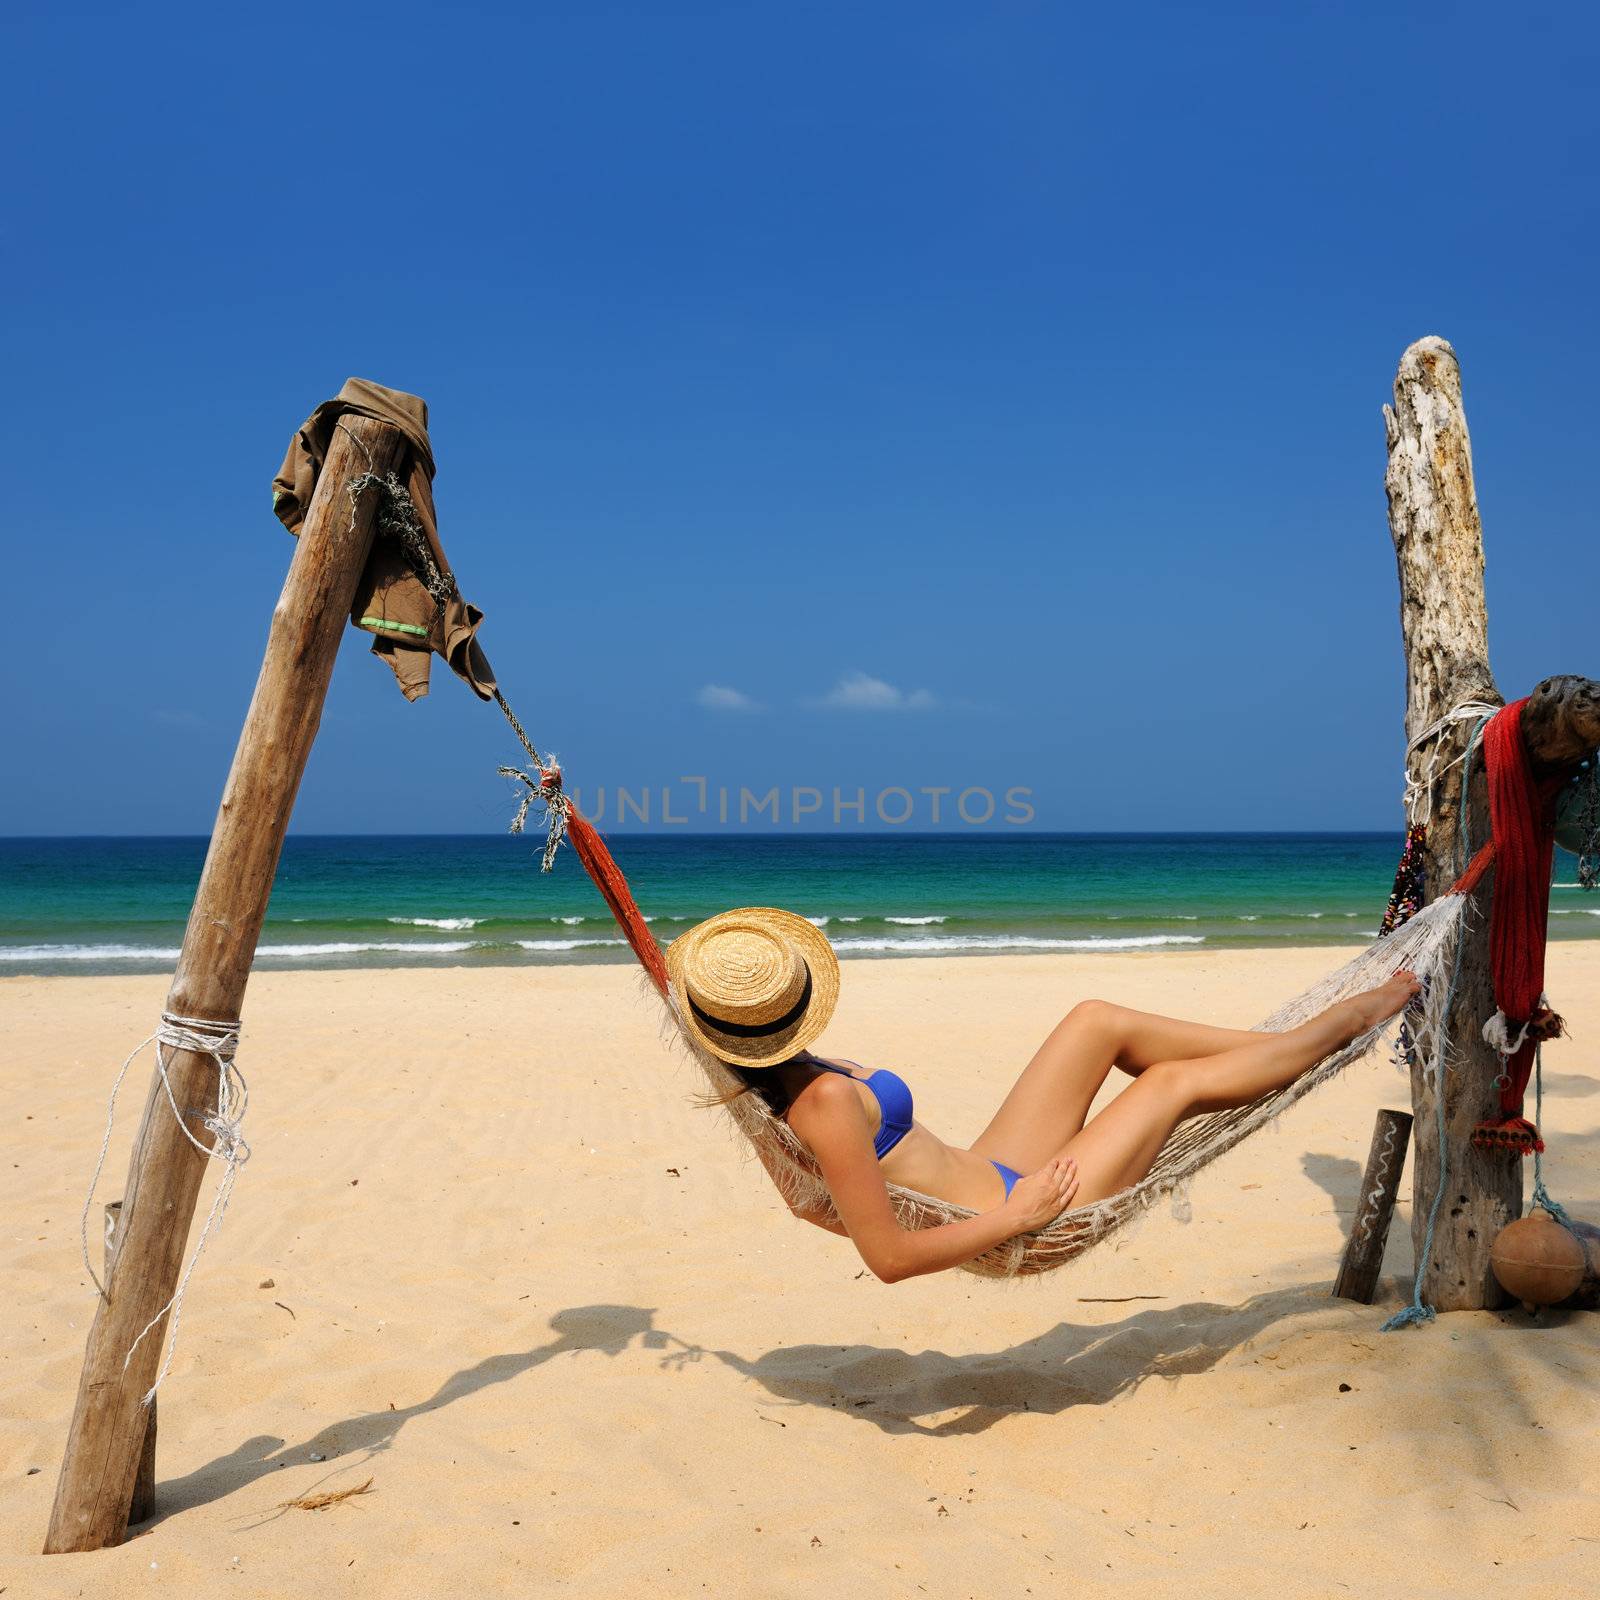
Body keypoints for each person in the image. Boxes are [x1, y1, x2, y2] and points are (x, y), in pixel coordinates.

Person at [667, 907, 1420, 1284]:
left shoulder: (782, 1077)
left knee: (1096, 1021)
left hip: (994, 1165)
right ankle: (1339, 1022)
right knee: (1171, 1082)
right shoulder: (821, 1106)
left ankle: (1294, 1045)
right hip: (1021, 1218)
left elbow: (805, 1201)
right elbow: (888, 1257)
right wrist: (1017, 1216)